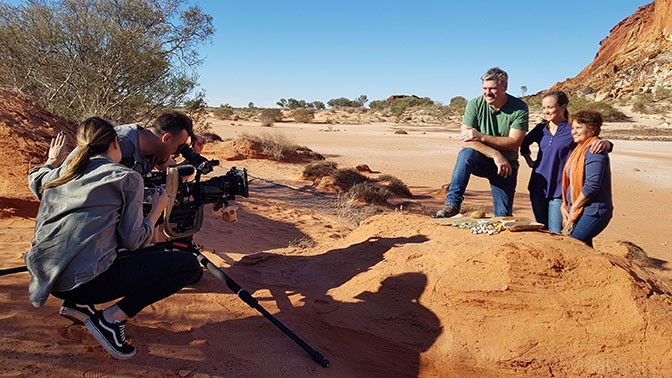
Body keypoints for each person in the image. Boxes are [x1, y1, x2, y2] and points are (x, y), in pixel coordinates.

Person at [25, 117, 203, 360]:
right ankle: (110, 320)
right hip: (87, 283)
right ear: (115, 145)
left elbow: (36, 180)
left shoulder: (64, 171)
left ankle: (78, 306)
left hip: (50, 280)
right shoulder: (126, 177)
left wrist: (51, 161)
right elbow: (133, 240)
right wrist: (156, 212)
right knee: (187, 265)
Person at [436, 67, 529, 218]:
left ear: (505, 86)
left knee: (503, 216)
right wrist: (495, 154)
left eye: (492, 88)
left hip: (506, 166)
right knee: (466, 154)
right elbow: (466, 141)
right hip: (482, 160)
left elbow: (514, 143)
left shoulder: (519, 108)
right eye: (484, 88)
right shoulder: (475, 104)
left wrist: (481, 136)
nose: (487, 93)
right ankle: (452, 204)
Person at [520, 91, 612, 233]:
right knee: (541, 230)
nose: (546, 111)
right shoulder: (540, 129)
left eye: (550, 107)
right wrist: (529, 160)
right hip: (538, 187)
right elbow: (524, 143)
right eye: (544, 108)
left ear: (563, 107)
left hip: (560, 189)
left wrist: (606, 143)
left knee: (557, 232)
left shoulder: (572, 129)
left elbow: (593, 141)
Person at [560, 110, 613, 247]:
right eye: (573, 128)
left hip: (593, 211)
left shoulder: (595, 151)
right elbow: (572, 182)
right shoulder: (578, 149)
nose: (574, 132)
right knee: (585, 248)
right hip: (580, 209)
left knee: (572, 244)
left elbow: (592, 186)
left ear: (592, 129)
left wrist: (574, 207)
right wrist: (565, 205)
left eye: (579, 128)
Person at [116, 111, 205, 175]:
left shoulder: (158, 150)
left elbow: (175, 175)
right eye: (178, 147)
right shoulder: (120, 141)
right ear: (166, 138)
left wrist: (194, 154)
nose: (176, 153)